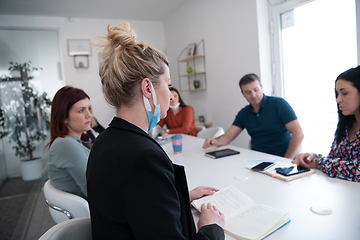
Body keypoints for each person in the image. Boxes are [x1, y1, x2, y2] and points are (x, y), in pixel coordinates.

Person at [86, 22, 224, 239]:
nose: (170, 95)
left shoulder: (105, 141)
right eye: (167, 85)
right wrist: (211, 228)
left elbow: (133, 203)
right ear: (148, 88)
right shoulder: (143, 157)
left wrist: (178, 197)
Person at [203, 73, 304, 159]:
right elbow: (228, 137)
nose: (253, 95)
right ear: (243, 94)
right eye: (248, 92)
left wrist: (285, 161)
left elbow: (298, 134)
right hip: (257, 159)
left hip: (281, 157)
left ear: (261, 87)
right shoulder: (244, 113)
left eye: (256, 90)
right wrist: (214, 141)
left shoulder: (278, 104)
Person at [292, 66, 360, 182]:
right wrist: (313, 157)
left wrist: (319, 162)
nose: (338, 100)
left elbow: (357, 170)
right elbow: (334, 159)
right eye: (337, 94)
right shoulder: (346, 126)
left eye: (344, 93)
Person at [44, 86, 91, 199]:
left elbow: (45, 174)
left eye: (89, 108)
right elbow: (93, 189)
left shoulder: (68, 143)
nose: (89, 114)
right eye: (81, 110)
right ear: (63, 117)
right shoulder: (66, 145)